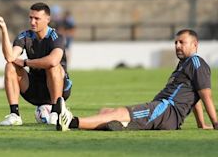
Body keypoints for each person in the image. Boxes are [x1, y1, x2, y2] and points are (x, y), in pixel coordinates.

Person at [56, 29, 218, 131]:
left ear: (195, 44)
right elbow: (195, 96)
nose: (177, 46)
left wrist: (216, 123)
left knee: (120, 113)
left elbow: (205, 96)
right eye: (175, 42)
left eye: (182, 42)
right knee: (106, 112)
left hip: (166, 110)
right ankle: (123, 125)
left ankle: (71, 122)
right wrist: (201, 124)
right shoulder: (184, 64)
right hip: (163, 111)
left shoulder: (196, 63)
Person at [0, 2, 73, 126]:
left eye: (37, 18)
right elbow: (10, 57)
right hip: (35, 90)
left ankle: (56, 112)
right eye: (31, 18)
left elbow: (53, 60)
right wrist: (4, 29)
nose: (32, 22)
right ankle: (15, 115)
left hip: (60, 90)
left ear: (47, 19)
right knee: (10, 66)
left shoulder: (56, 37)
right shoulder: (25, 36)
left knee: (53, 66)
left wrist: (25, 62)